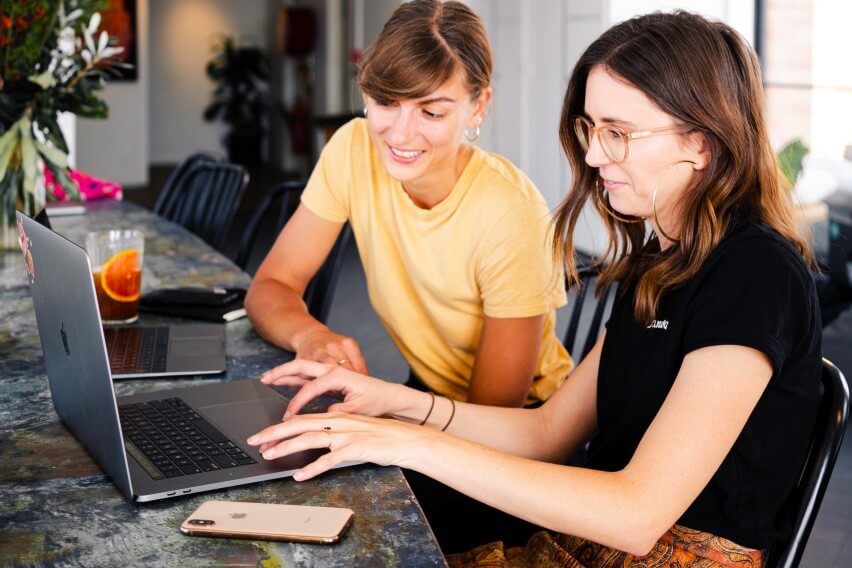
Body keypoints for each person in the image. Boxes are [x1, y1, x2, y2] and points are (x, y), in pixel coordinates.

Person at [247, 10, 821, 567]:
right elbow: (548, 430)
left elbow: (637, 515)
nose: (593, 155)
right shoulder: (663, 261)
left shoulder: (755, 274)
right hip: (591, 540)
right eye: (591, 129)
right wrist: (396, 405)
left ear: (700, 141)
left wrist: (407, 442)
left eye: (619, 133)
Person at [245, 0, 572, 409]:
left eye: (431, 111)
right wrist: (310, 335)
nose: (400, 135)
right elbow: (270, 287)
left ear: (478, 107)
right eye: (386, 102)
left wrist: (387, 407)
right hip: (427, 392)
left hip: (518, 428)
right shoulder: (353, 148)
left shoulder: (512, 214)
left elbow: (492, 419)